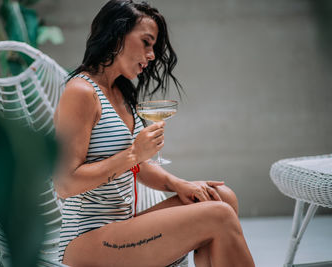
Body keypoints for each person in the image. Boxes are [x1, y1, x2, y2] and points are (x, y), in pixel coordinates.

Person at [54, 0, 255, 266]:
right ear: (116, 35)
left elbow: (138, 166)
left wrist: (177, 184)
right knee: (217, 215)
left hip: (123, 227)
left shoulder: (120, 91)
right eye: (146, 42)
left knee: (221, 197)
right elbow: (65, 185)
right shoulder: (81, 92)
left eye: (154, 47)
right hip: (85, 238)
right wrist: (134, 153)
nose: (152, 55)